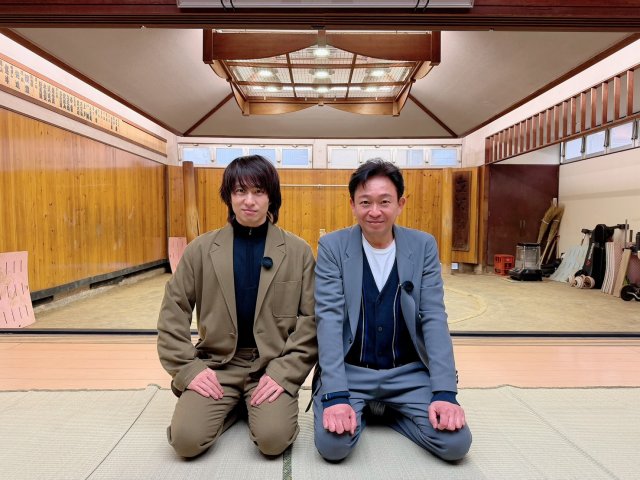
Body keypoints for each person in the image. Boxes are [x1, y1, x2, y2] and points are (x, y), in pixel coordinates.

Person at [158, 155, 317, 458]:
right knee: (185, 441)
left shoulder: (298, 251)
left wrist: (284, 373)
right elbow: (172, 313)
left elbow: (311, 321)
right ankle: (232, 405)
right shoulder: (200, 250)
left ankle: (251, 406)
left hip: (271, 366)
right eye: (240, 191)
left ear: (271, 197)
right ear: (229, 196)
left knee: (273, 441)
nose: (249, 201)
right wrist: (189, 369)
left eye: (259, 191)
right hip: (217, 366)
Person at [312, 159, 471, 462]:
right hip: (351, 371)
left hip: (408, 372)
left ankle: (387, 411)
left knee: (455, 444)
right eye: (365, 202)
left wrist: (444, 392)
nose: (375, 211)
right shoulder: (333, 246)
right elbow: (328, 320)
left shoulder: (422, 245)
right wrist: (335, 395)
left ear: (400, 203)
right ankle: (371, 408)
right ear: (352, 204)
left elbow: (434, 317)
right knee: (333, 446)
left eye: (384, 202)